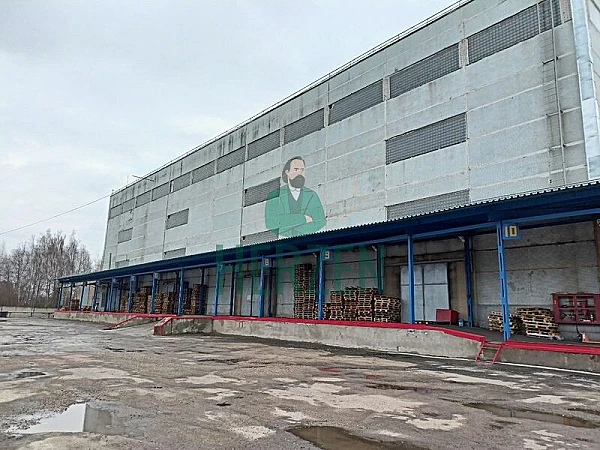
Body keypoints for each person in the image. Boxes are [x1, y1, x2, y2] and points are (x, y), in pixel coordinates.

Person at [265, 156, 326, 237]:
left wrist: (288, 224)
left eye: (302, 170)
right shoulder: (274, 195)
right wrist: (303, 219)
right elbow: (271, 223)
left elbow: (320, 222)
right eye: (296, 170)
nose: (300, 173)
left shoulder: (312, 195)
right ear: (287, 172)